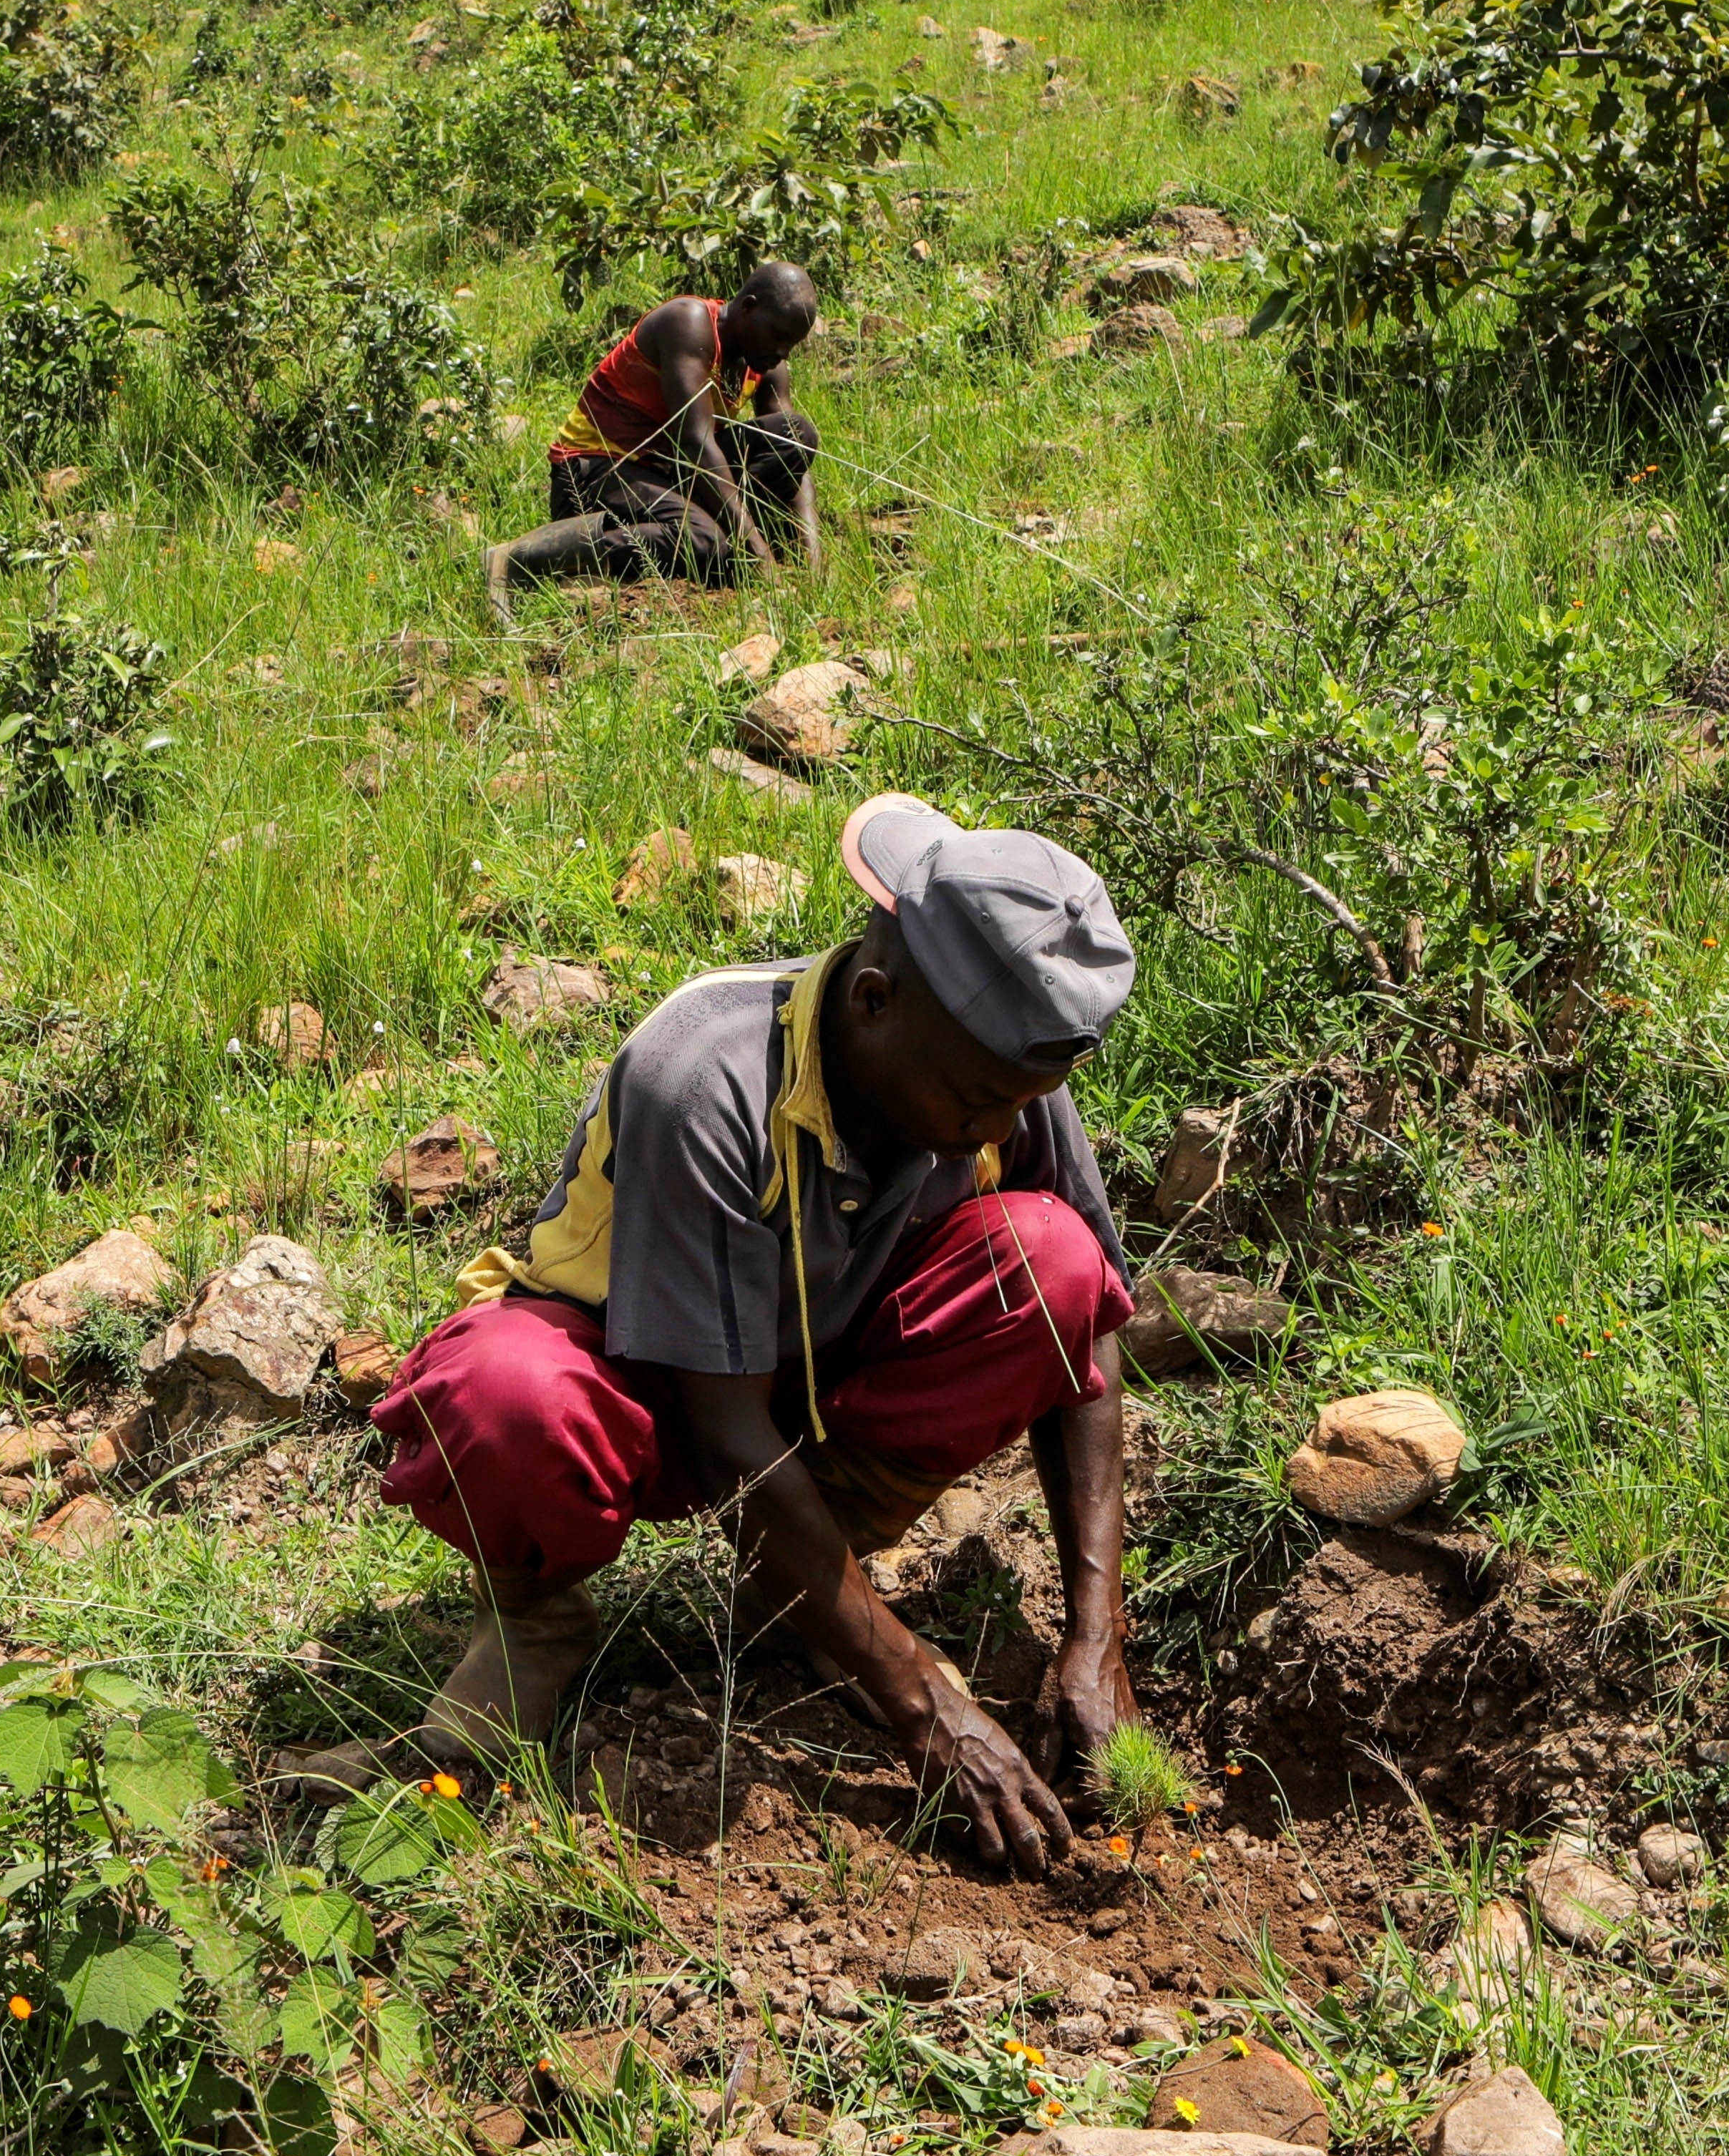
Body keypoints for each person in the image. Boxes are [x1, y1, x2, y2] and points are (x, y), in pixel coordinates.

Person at [321, 794, 1142, 1874]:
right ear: (875, 1002)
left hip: (817, 1378)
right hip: (645, 1393)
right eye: (979, 1102)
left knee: (1057, 1264)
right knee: (505, 1396)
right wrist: (923, 1701)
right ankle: (538, 1623)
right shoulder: (706, 1076)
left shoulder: (995, 1066)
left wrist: (1096, 1636)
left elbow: (1085, 1340)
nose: (999, 1127)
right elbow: (726, 1442)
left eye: (1024, 1101)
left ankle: (802, 1593)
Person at [486, 259, 824, 618]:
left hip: (665, 474)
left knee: (796, 433)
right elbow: (696, 442)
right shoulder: (689, 323)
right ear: (748, 308)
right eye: (777, 335)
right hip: (597, 469)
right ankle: (525, 557)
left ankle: (710, 535)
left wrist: (814, 560)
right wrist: (759, 553)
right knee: (706, 542)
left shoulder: (765, 362)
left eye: (792, 344)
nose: (783, 352)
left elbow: (795, 462)